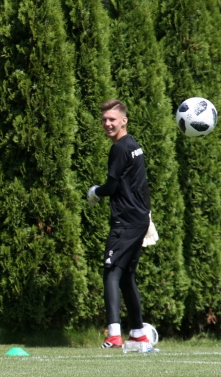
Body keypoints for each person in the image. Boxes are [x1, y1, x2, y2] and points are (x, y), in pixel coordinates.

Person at [86, 99, 158, 349]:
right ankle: (138, 333)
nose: (107, 123)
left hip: (125, 222)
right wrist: (147, 215)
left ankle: (114, 333)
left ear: (124, 120)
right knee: (127, 276)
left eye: (112, 119)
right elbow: (141, 185)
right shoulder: (134, 145)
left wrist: (95, 191)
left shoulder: (119, 148)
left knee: (111, 273)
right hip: (137, 219)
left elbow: (112, 187)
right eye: (104, 119)